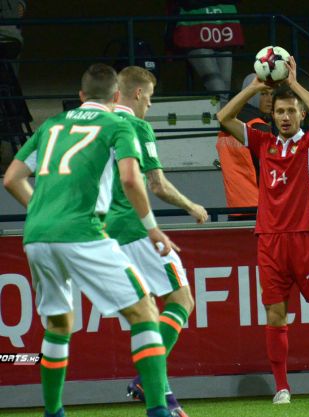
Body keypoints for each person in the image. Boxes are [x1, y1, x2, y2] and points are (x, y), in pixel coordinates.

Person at [3, 63, 179, 417]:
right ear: (116, 97)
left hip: (37, 236)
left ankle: (54, 413)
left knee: (58, 324)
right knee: (144, 311)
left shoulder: (51, 126)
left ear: (80, 96)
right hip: (83, 231)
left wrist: (42, 209)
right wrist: (152, 227)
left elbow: (11, 178)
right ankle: (159, 410)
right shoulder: (117, 124)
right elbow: (131, 180)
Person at [217, 57, 309, 405]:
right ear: (273, 114)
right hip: (269, 239)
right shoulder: (263, 143)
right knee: (275, 314)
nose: (284, 116)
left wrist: (294, 84)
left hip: (307, 238)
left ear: (301, 116)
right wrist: (254, 87)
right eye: (279, 111)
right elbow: (224, 118)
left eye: (291, 111)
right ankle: (282, 387)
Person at [104, 65, 208, 417]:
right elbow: (157, 184)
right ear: (135, 94)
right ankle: (147, 382)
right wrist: (192, 204)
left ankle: (165, 400)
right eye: (149, 98)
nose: (150, 105)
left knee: (145, 316)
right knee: (182, 299)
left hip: (103, 233)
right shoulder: (136, 126)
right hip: (135, 228)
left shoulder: (95, 126)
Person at [216, 73, 272, 220]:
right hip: (260, 208)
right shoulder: (259, 127)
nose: (270, 100)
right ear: (251, 93)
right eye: (264, 94)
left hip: (235, 208)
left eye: (272, 94)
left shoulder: (225, 126)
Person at [167, 0, 244, 106]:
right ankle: (220, 121)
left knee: (225, 88)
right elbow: (189, 3)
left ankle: (216, 118)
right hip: (194, 30)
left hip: (224, 28)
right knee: (217, 87)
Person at [0, 0, 31, 174]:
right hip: (11, 38)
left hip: (10, 39)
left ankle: (8, 145)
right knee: (8, 92)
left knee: (8, 90)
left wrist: (21, 6)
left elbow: (18, 8)